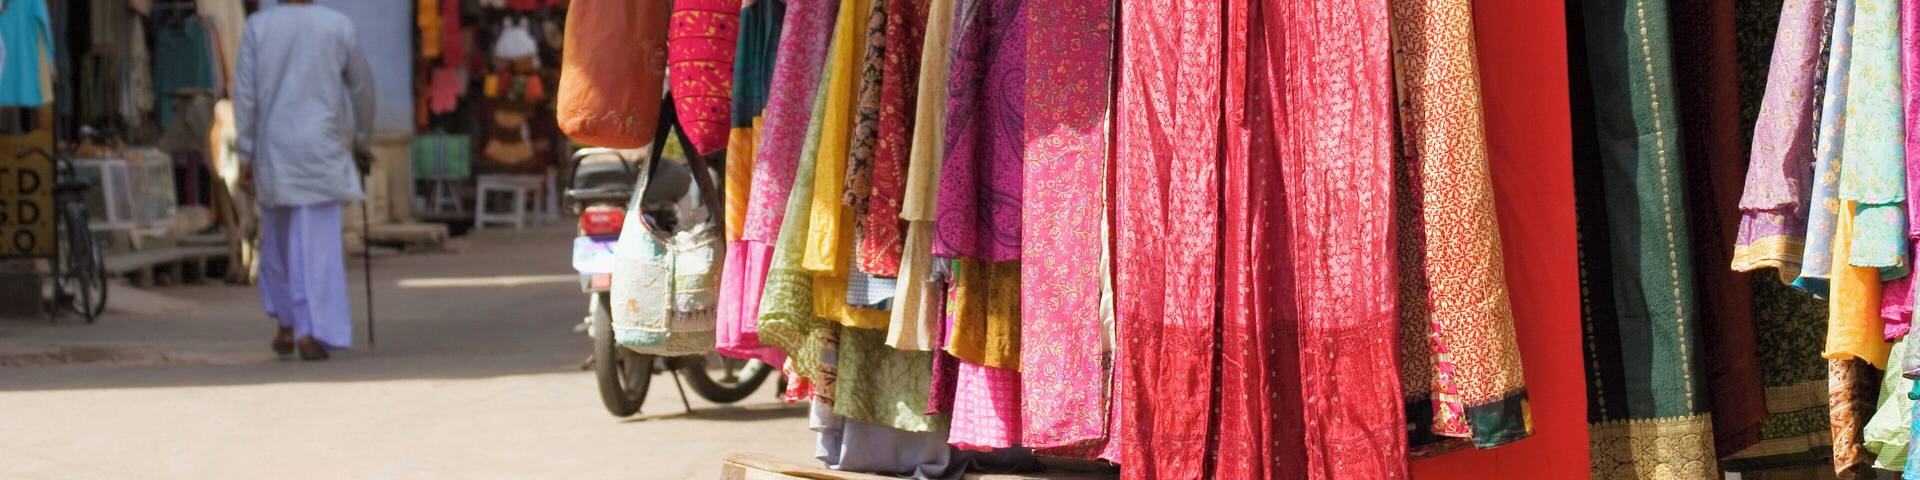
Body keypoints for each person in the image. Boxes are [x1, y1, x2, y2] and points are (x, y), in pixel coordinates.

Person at [234, 0, 375, 361]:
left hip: (274, 149)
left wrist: (246, 151)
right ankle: (310, 329)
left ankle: (286, 321)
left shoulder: (258, 28)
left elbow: (245, 96)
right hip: (320, 148)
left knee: (277, 242)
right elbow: (362, 88)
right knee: (318, 248)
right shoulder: (337, 26)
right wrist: (362, 140)